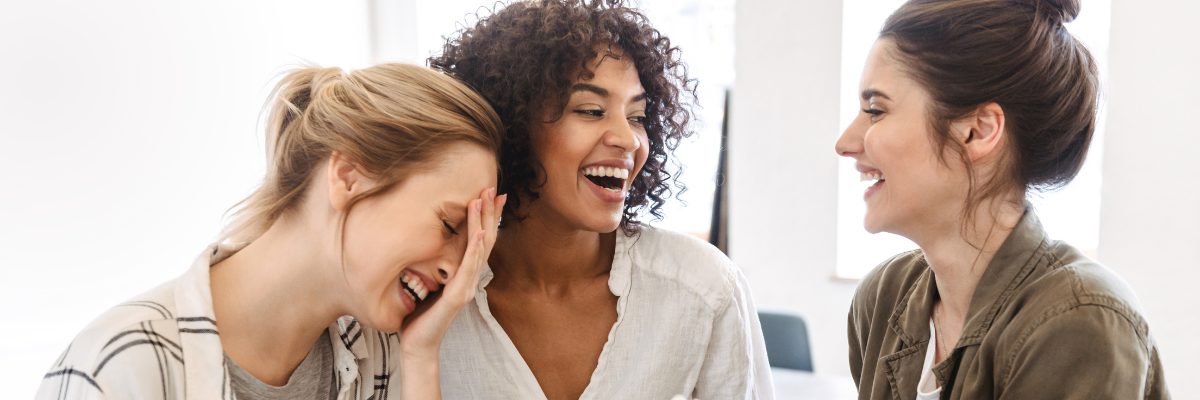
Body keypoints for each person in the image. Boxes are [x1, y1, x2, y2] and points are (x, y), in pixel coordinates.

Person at [37, 63, 507, 400]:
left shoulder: (379, 361)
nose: (454, 270)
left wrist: (422, 358)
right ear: (347, 177)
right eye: (449, 226)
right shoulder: (122, 367)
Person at [427, 1, 773, 399]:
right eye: (591, 110)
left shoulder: (704, 289)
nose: (628, 139)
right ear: (513, 125)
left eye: (638, 116)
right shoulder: (429, 292)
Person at [837, 0, 1170, 399]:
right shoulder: (883, 296)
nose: (845, 143)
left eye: (875, 110)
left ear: (977, 131)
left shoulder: (1080, 321)